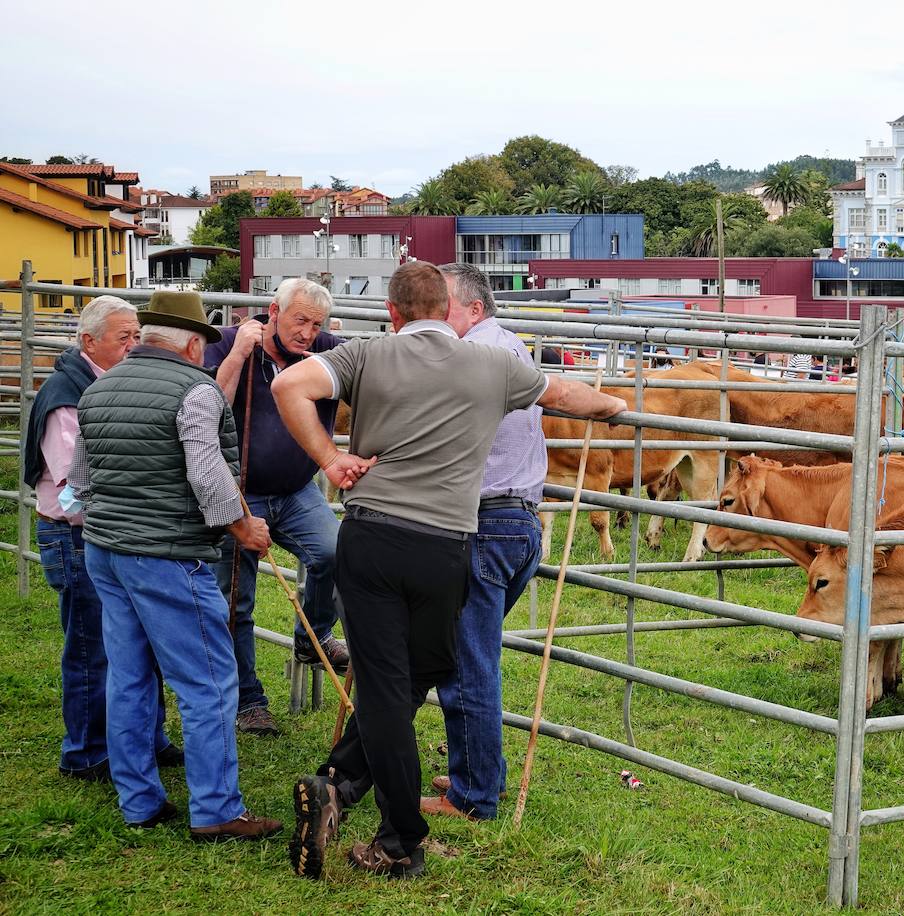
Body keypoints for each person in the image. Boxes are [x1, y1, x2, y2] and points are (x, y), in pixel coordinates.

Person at [274, 261, 625, 880]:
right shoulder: (490, 363)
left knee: (394, 681)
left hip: (373, 536)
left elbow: (288, 389)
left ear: (393, 311)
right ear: (448, 307)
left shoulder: (366, 354)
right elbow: (568, 396)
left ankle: (339, 787)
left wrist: (330, 459)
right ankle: (399, 836)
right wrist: (615, 404)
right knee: (420, 673)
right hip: (445, 545)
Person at [68, 290, 281, 840]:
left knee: (130, 678)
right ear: (191, 343)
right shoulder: (196, 390)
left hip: (106, 552)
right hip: (167, 556)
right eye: (203, 345)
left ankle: (138, 801)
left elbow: (82, 482)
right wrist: (245, 527)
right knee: (207, 682)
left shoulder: (99, 387)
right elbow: (209, 479)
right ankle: (216, 809)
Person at [24, 296, 182, 783]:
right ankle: (87, 751)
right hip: (78, 537)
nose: (134, 346)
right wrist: (128, 514)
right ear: (89, 341)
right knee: (93, 646)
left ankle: (146, 739)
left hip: (107, 532)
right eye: (124, 338)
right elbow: (73, 491)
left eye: (137, 336)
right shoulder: (66, 396)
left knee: (137, 642)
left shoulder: (100, 386)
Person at [417, 263, 545, 822]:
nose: (431, 315)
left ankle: (473, 797)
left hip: (484, 525)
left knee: (467, 664)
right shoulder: (511, 346)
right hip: (518, 525)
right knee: (462, 655)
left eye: (440, 304)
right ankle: (474, 769)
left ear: (473, 308)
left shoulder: (470, 356)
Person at [204, 278, 348, 737]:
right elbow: (208, 408)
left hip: (297, 489)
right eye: (300, 320)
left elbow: (365, 379)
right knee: (235, 601)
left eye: (317, 323)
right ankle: (248, 701)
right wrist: (238, 354)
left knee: (336, 553)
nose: (308, 332)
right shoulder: (231, 341)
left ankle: (314, 637)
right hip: (238, 493)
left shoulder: (328, 348)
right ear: (274, 310)